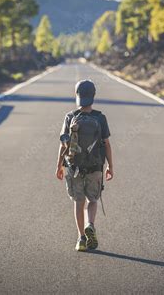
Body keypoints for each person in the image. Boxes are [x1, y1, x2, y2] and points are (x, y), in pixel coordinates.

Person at [55, 79, 114, 251]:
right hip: (95, 167)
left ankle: (81, 238)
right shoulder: (100, 118)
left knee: (78, 202)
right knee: (93, 200)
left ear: (77, 96)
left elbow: (63, 144)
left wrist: (58, 165)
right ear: (93, 96)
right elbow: (107, 144)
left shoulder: (70, 117)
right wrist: (110, 166)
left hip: (74, 168)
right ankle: (91, 224)